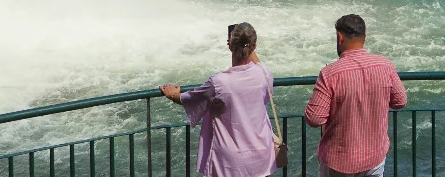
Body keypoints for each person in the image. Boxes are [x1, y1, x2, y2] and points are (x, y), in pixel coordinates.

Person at [160, 22, 279, 177]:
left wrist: (172, 94)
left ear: (230, 45)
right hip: (260, 157)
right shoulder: (264, 74)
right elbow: (257, 63)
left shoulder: (219, 82)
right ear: (254, 47)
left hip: (230, 164)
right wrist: (246, 41)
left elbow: (190, 99)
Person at [303, 14, 407, 177]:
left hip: (339, 162)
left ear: (340, 37)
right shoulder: (385, 65)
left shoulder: (330, 74)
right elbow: (400, 101)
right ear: (365, 36)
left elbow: (314, 119)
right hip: (374, 158)